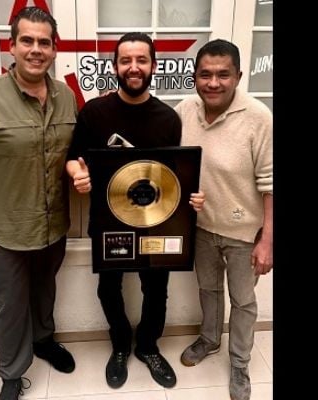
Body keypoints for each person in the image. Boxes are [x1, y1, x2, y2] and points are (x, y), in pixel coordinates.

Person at [65, 32, 202, 390]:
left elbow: (175, 176)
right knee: (109, 288)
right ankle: (121, 345)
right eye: (126, 60)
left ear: (154, 66)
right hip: (108, 221)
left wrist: (191, 197)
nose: (134, 67)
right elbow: (73, 159)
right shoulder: (94, 112)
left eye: (141, 60)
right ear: (115, 67)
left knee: (156, 290)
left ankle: (148, 347)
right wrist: (78, 174)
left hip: (157, 223)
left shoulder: (169, 118)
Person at [0, 6, 77, 400]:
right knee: (12, 304)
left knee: (44, 290)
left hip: (53, 222)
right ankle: (12, 373)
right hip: (6, 227)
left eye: (44, 42)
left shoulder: (66, 96)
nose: (36, 49)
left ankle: (44, 340)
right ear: (12, 46)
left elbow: (72, 152)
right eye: (27, 40)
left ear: (54, 49)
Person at [174, 39, 272, 400]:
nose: (213, 83)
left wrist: (267, 241)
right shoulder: (185, 111)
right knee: (208, 289)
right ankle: (210, 339)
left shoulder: (259, 117)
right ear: (195, 77)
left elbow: (271, 184)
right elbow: (169, 158)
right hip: (202, 227)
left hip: (245, 232)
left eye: (222, 75)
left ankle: (240, 363)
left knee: (243, 301)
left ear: (238, 76)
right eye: (205, 75)